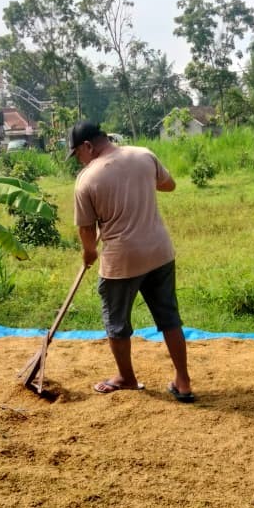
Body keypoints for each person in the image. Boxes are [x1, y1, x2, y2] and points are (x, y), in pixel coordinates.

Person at [69, 121, 195, 403]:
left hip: (121, 261)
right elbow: (169, 185)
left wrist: (89, 254)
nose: (79, 160)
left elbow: (87, 230)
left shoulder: (86, 179)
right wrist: (138, 184)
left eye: (78, 154)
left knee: (116, 323)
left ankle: (126, 378)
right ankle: (183, 382)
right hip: (159, 252)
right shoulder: (143, 154)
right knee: (169, 318)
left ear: (88, 146)